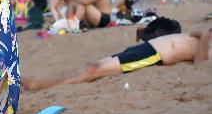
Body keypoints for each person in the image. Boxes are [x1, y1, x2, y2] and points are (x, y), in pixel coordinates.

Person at [24, 29, 210, 90]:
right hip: (147, 47)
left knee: (95, 69)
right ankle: (45, 82)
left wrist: (204, 37)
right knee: (91, 66)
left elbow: (200, 63)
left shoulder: (207, 40)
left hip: (154, 55)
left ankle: (39, 85)